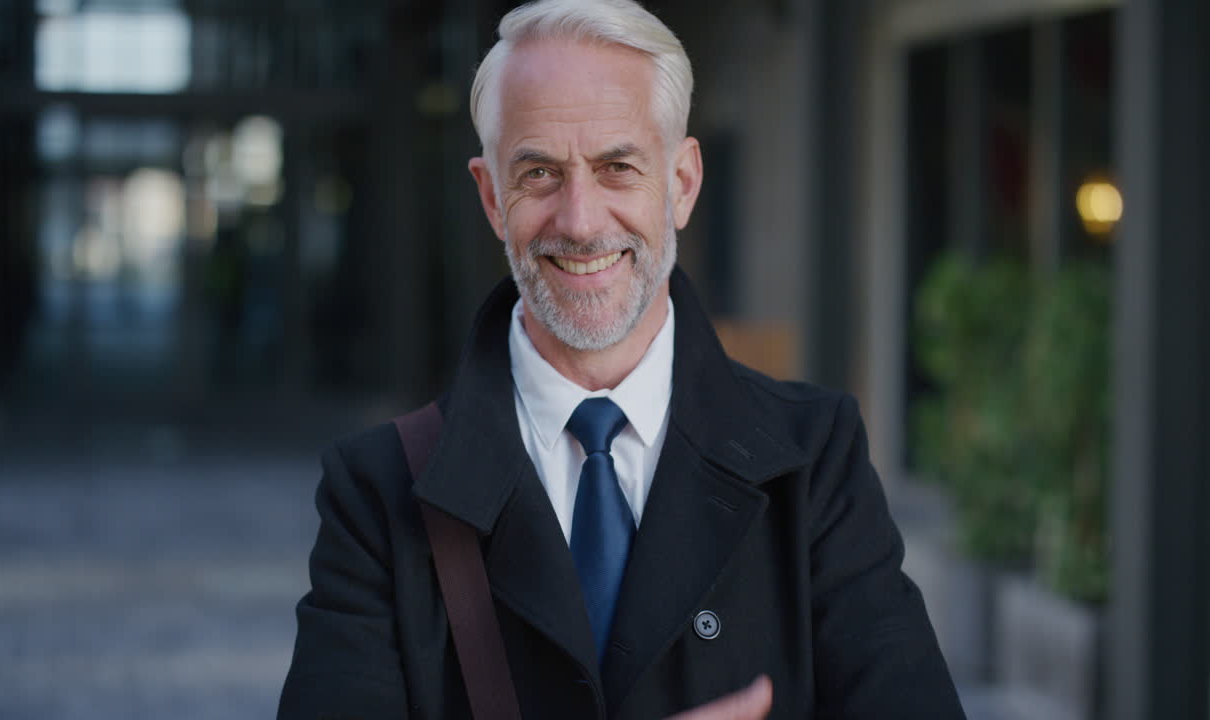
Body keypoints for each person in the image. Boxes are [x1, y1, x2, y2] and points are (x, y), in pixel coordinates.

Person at [278, 1, 966, 718]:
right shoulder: (375, 491)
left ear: (683, 184)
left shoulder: (815, 459)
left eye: (617, 167)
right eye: (539, 172)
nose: (579, 221)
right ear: (490, 197)